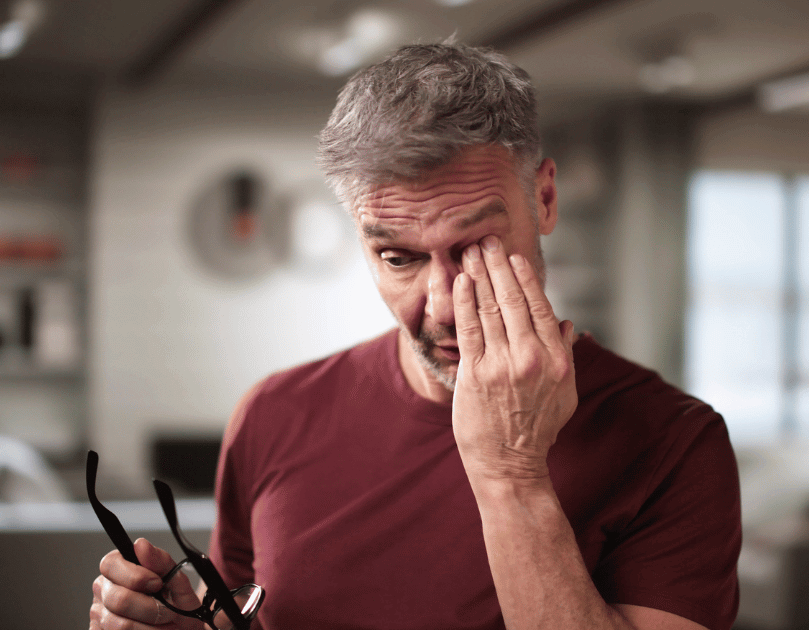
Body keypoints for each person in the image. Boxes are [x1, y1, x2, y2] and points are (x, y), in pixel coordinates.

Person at [90, 41, 741, 630]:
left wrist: (510, 476)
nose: (443, 303)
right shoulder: (272, 414)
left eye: (477, 246)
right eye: (399, 258)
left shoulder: (676, 443)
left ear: (543, 199)